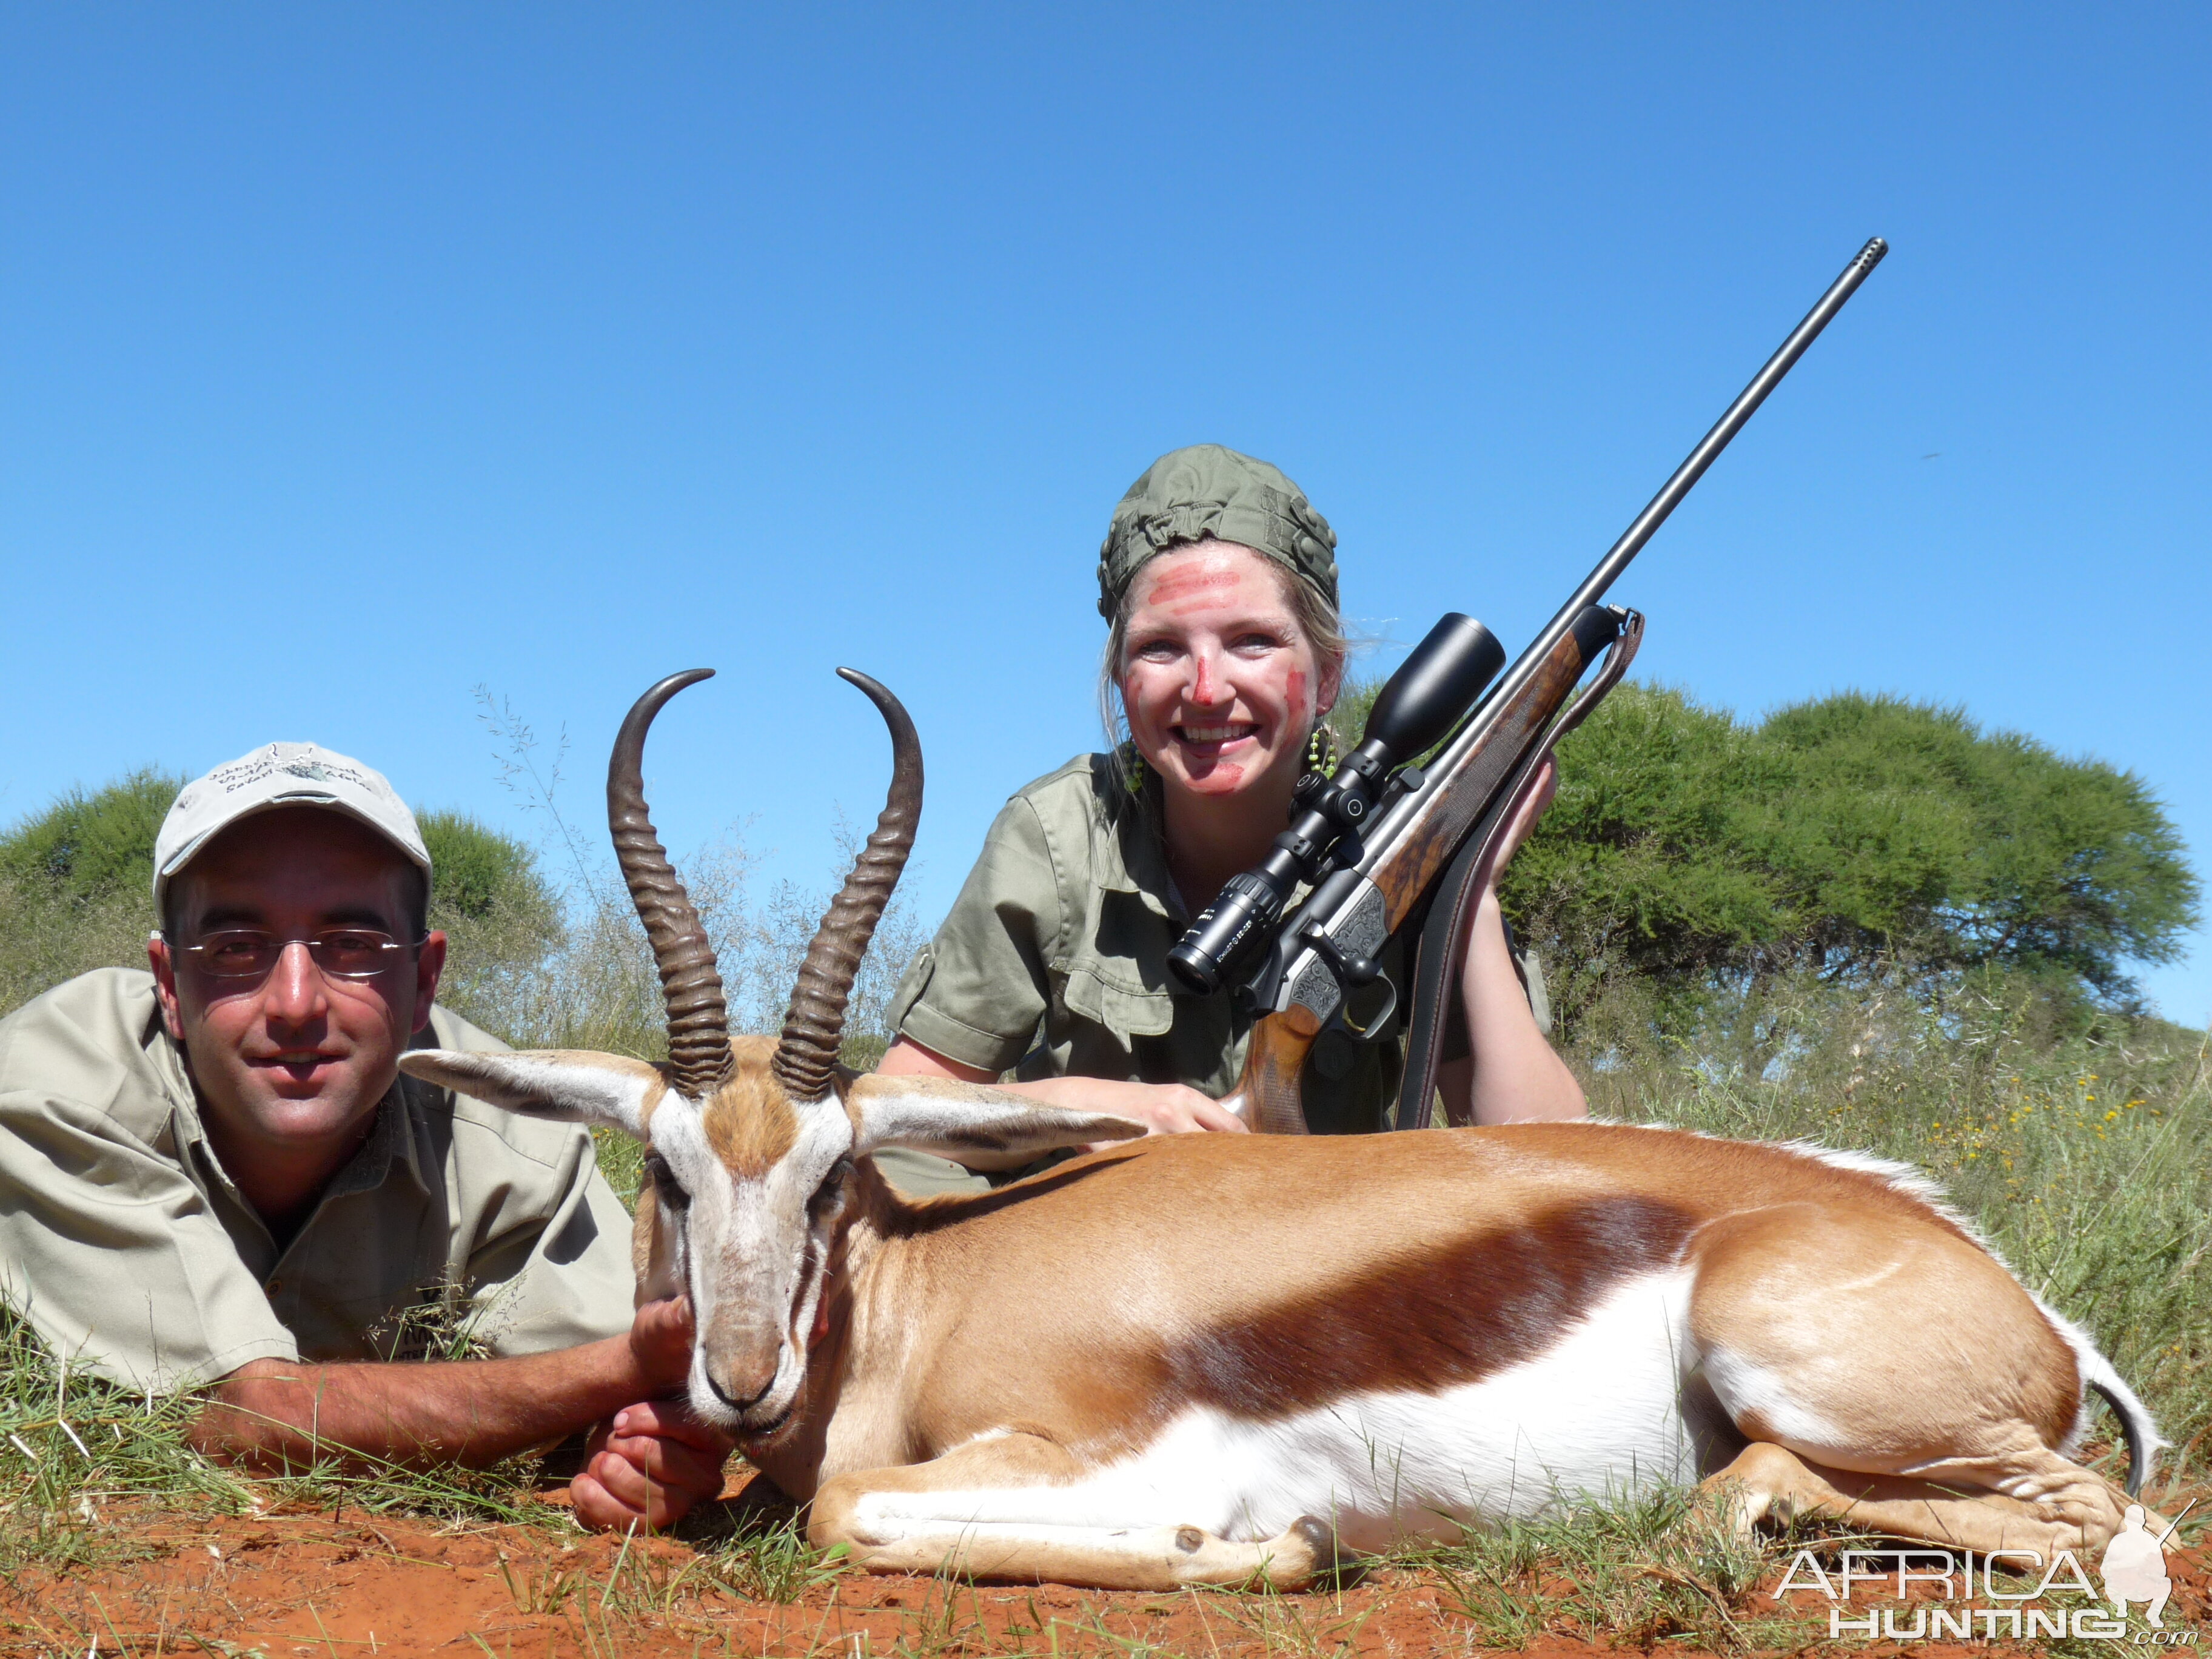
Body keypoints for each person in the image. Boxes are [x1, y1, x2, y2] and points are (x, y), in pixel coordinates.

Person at [0, 743, 726, 1532]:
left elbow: (636, 1394)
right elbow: (244, 1416)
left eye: (352, 947)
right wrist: (623, 1371)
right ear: (169, 985)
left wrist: (637, 1445)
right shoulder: (58, 1090)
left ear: (423, 981)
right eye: (237, 948)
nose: (297, 1003)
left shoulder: (510, 1125)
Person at [876, 444, 1582, 1190]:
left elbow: (1551, 1164)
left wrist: (1470, 892)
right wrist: (1081, 1110)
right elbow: (898, 1112)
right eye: (1161, 648)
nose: (1207, 689)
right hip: (1082, 1282)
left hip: (1320, 1280)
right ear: (1122, 681)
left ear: (1328, 674)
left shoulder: (1399, 854)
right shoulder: (1054, 835)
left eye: (1253, 641)